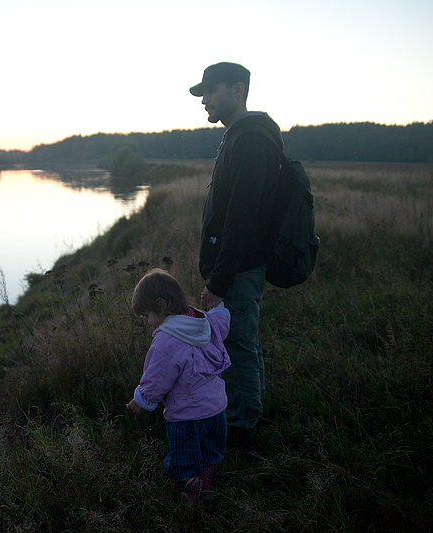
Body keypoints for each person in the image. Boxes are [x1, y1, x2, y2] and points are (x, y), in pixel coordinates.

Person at [190, 62, 285, 451]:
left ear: (238, 90)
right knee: (242, 342)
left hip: (239, 269)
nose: (205, 100)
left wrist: (218, 282)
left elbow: (241, 221)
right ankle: (248, 415)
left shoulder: (250, 141)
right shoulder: (239, 137)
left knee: (238, 346)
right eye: (203, 94)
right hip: (237, 267)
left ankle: (243, 432)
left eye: (212, 91)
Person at [126, 268, 231, 503]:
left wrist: (140, 401)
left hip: (187, 417)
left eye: (148, 315)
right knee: (209, 452)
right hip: (217, 409)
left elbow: (156, 380)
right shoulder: (205, 322)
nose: (149, 323)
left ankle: (190, 498)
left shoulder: (166, 340)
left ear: (161, 305)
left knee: (184, 459)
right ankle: (205, 484)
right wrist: (218, 303)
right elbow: (222, 320)